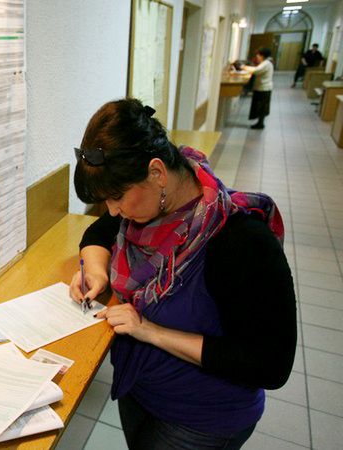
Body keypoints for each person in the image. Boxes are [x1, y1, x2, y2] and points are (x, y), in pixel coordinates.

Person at [70, 99, 296, 450]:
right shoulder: (145, 208)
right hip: (142, 391)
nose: (113, 210)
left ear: (157, 172)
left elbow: (270, 365)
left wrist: (151, 331)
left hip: (203, 417)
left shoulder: (242, 242)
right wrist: (96, 272)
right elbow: (99, 233)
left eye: (116, 197)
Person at [241, 48, 273, 129]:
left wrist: (243, 67)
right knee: (260, 106)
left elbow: (256, 70)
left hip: (264, 88)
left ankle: (260, 124)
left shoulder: (266, 64)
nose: (257, 56)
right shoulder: (265, 63)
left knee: (261, 107)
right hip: (262, 87)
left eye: (259, 54)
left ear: (263, 55)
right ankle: (260, 123)